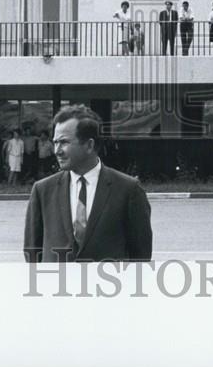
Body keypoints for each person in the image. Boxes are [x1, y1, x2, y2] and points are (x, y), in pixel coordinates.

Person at [24, 109, 152, 263]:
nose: (57, 151)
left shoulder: (128, 189)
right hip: (57, 286)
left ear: (89, 145)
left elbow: (141, 256)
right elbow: (32, 253)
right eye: (55, 142)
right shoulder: (42, 190)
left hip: (109, 285)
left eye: (64, 142)